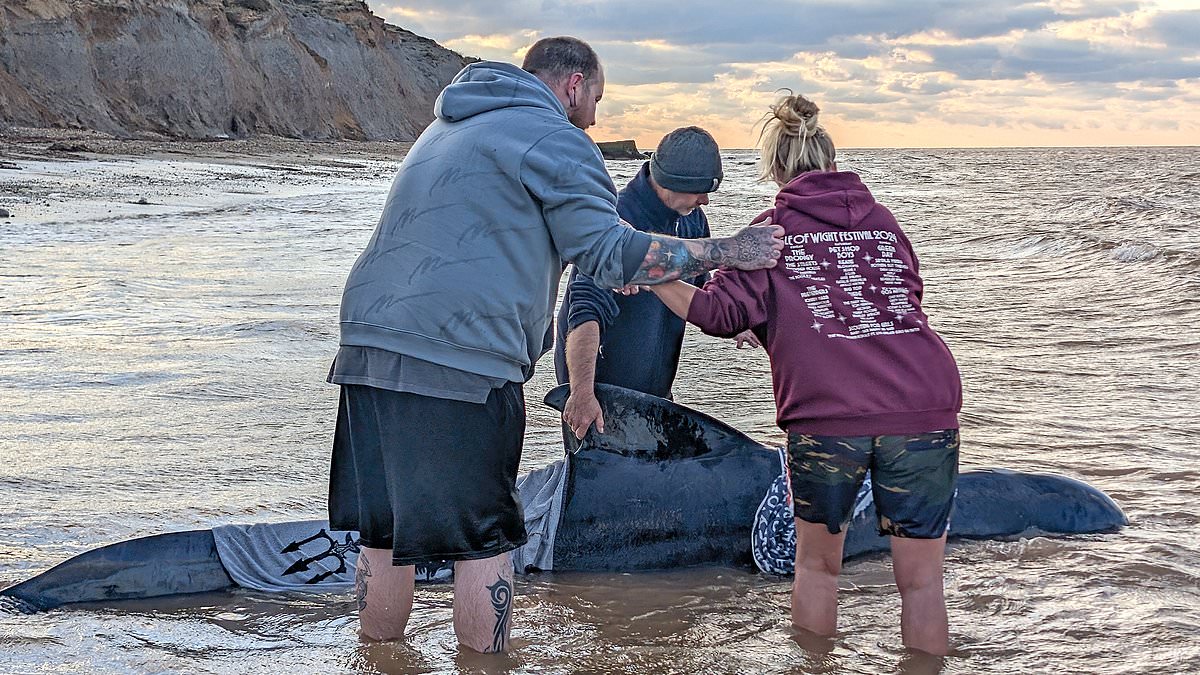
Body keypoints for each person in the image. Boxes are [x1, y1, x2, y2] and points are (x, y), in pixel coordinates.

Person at [325, 36, 784, 653]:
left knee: (384, 535)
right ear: (573, 85)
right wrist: (729, 250)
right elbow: (609, 254)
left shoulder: (449, 127)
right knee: (487, 542)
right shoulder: (555, 138)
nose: (596, 114)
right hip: (459, 360)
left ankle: (377, 662)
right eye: (596, 97)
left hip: (365, 346)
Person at [643, 93, 962, 655]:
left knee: (817, 569)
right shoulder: (885, 224)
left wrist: (652, 276)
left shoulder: (773, 230)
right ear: (832, 159)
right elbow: (895, 301)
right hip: (924, 403)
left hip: (829, 418)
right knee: (921, 583)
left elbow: (717, 313)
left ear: (775, 169)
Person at [553, 126, 760, 442]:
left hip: (656, 394)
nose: (705, 200)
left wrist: (736, 323)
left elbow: (700, 292)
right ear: (671, 184)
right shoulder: (616, 222)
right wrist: (581, 392)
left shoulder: (692, 219)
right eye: (700, 190)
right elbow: (583, 313)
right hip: (600, 395)